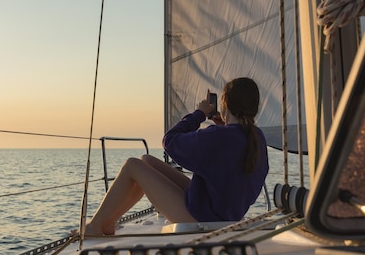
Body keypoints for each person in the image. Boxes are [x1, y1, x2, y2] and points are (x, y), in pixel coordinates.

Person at [85, 77, 269, 236]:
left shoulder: (218, 137)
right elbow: (230, 167)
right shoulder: (256, 137)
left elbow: (169, 141)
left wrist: (199, 115)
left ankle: (95, 227)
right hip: (223, 213)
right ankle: (108, 222)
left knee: (132, 165)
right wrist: (224, 126)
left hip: (201, 219)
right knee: (146, 161)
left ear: (224, 104)